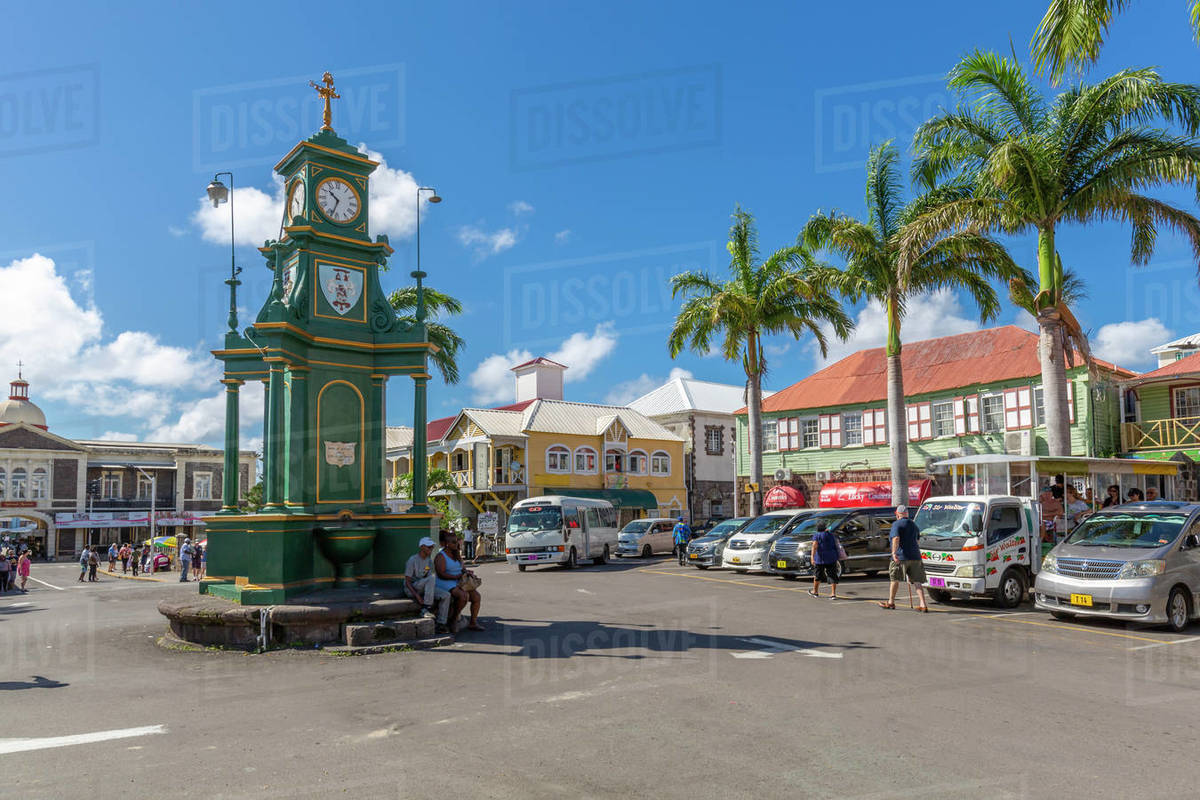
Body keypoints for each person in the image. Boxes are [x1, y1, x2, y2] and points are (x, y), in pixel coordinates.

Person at [879, 506, 929, 612]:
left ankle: (891, 602)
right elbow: (917, 540)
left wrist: (893, 553)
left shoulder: (896, 524)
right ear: (906, 513)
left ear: (897, 513)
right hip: (915, 556)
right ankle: (923, 604)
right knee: (917, 581)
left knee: (895, 579)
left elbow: (896, 538)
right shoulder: (914, 525)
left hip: (901, 556)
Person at [435, 529, 483, 632]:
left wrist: (467, 572)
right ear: (447, 544)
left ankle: (473, 622)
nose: (456, 544)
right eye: (453, 542)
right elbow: (441, 573)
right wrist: (455, 577)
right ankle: (454, 619)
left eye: (456, 541)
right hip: (446, 581)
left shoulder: (456, 555)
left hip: (458, 580)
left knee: (476, 597)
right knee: (463, 596)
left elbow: (462, 568)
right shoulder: (441, 556)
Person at [404, 536, 451, 631]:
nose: (431, 549)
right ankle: (425, 608)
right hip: (412, 588)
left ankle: (441, 623)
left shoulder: (429, 561)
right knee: (432, 578)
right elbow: (407, 582)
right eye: (429, 547)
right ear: (422, 547)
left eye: (432, 547)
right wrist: (417, 596)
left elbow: (428, 577)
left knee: (446, 595)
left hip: (424, 586)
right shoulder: (412, 560)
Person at [808, 519, 841, 599]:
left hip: (820, 558)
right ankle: (833, 594)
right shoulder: (830, 534)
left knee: (818, 575)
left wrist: (812, 557)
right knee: (832, 575)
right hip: (831, 557)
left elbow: (814, 546)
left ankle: (815, 592)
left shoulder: (817, 535)